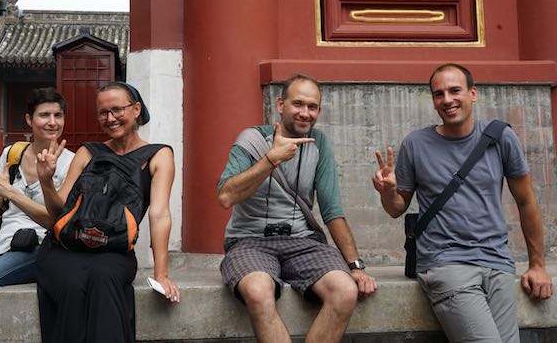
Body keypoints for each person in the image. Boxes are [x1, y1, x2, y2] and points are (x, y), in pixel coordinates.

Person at [372, 63, 553, 343]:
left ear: (473, 94)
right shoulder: (416, 144)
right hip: (445, 263)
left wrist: (537, 265)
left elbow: (526, 201)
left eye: (455, 91)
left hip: (497, 261)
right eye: (439, 94)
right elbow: (397, 208)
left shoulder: (500, 137)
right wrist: (388, 192)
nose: (447, 100)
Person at [217, 73, 377, 343]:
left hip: (302, 241)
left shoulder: (320, 143)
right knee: (257, 291)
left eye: (312, 107)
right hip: (249, 240)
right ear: (281, 105)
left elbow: (332, 210)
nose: (305, 113)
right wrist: (271, 159)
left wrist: (355, 266)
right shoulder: (252, 139)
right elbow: (225, 196)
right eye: (298, 104)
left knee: (345, 291)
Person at [32, 81, 179, 343]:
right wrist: (46, 181)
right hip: (65, 248)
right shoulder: (88, 152)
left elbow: (159, 215)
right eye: (103, 113)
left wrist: (161, 274)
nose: (110, 118)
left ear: (136, 109)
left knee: (105, 279)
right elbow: (59, 212)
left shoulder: (159, 155)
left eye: (117, 110)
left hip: (114, 249)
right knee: (72, 284)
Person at [0, 88, 75, 343]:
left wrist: (11, 191)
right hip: (4, 245)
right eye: (44, 115)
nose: (52, 122)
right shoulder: (12, 154)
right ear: (29, 119)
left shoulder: (71, 163)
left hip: (41, 246)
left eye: (58, 115)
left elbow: (56, 219)